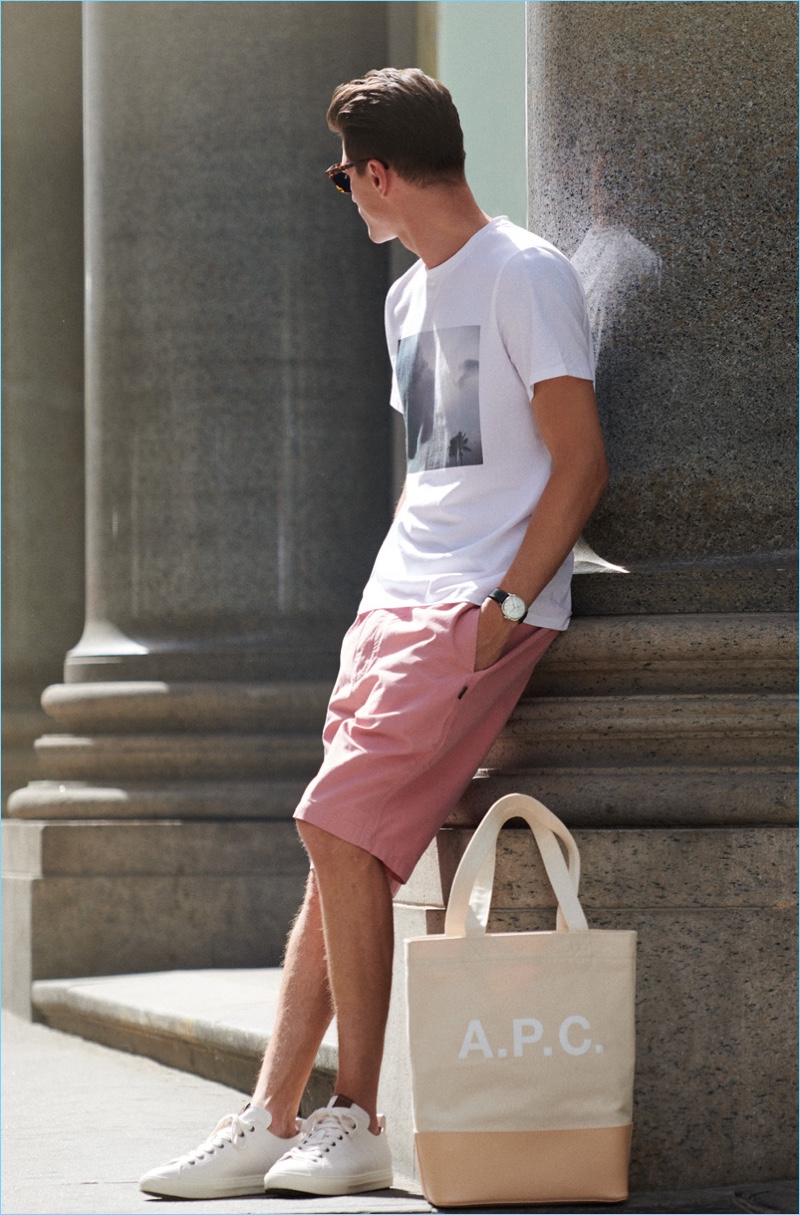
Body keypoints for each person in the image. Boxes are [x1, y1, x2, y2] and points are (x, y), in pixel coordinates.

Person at [139, 66, 607, 1201]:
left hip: (469, 612)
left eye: (345, 175)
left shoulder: (524, 275)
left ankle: (356, 1116)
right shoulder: (404, 298)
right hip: (394, 602)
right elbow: (432, 476)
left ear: (381, 173)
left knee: (335, 826)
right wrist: (380, 605)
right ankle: (271, 1115)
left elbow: (579, 461)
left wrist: (502, 610)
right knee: (334, 844)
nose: (345, 194)